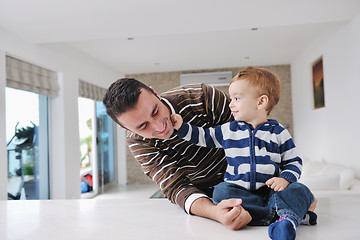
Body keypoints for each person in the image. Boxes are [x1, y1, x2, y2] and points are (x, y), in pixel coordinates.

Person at [102, 75, 317, 231]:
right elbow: (176, 187)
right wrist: (216, 213)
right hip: (218, 194)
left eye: (156, 111)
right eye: (142, 126)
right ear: (126, 129)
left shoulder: (202, 96)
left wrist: (284, 183)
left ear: (155, 93)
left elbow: (251, 134)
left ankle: (284, 206)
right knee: (221, 193)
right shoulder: (138, 142)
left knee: (297, 189)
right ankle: (288, 212)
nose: (159, 127)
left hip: (259, 182)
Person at [171, 67, 317, 240]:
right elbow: (204, 137)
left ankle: (284, 220)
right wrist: (181, 128)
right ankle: (287, 216)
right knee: (220, 191)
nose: (230, 103)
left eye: (237, 98)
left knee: (300, 189)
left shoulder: (279, 133)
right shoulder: (228, 130)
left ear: (261, 102)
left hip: (272, 192)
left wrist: (284, 179)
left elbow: (294, 162)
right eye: (231, 98)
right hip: (242, 193)